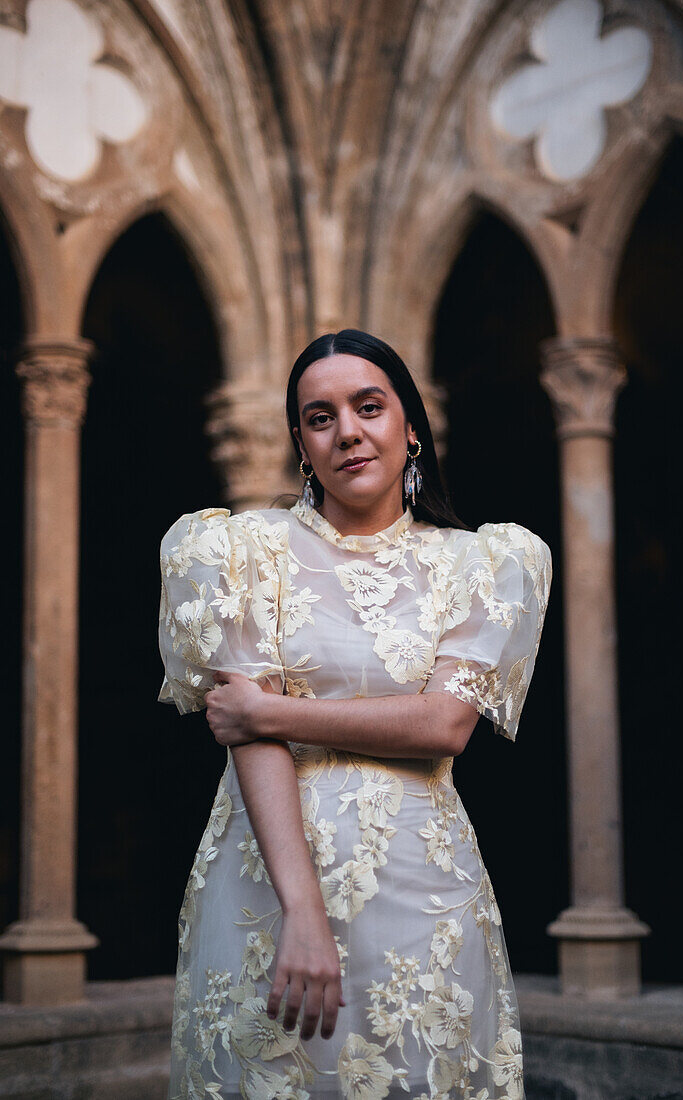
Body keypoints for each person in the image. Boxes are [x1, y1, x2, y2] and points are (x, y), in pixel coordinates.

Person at [157, 328, 552, 1100]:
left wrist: (268, 711)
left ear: (410, 427)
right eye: (319, 416)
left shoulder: (484, 564)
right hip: (261, 886)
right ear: (302, 444)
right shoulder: (237, 553)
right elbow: (248, 744)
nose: (347, 432)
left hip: (422, 894)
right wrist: (300, 912)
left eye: (368, 406)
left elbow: (444, 727)